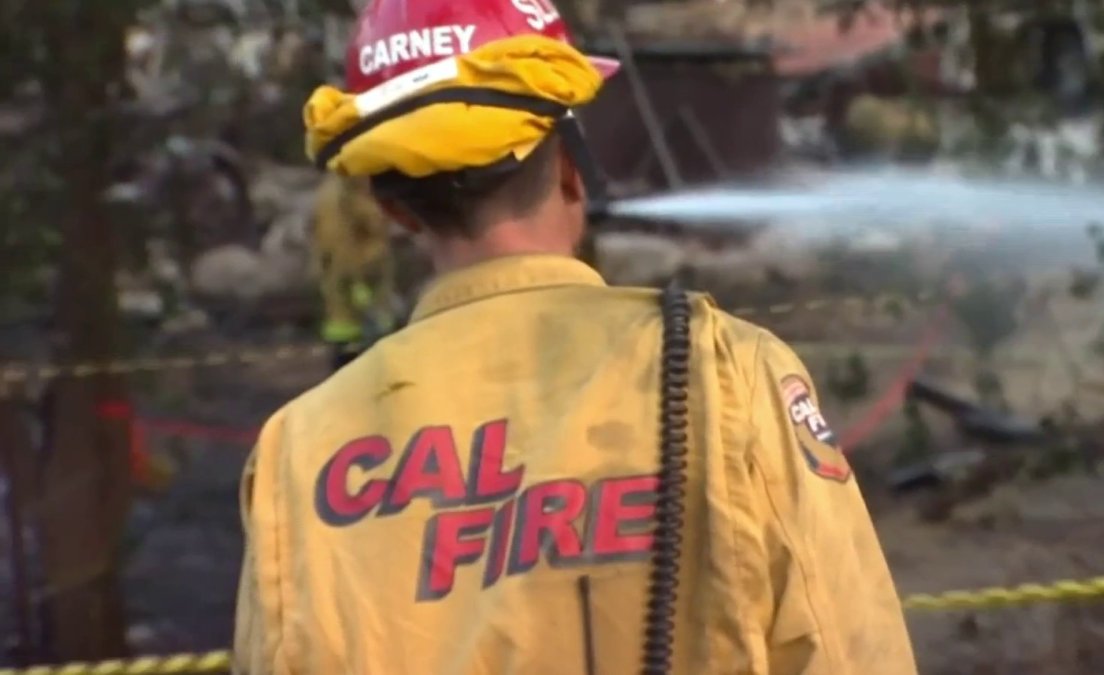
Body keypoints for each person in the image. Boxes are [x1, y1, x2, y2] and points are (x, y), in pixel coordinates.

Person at [233, 0, 917, 672]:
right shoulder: (725, 373)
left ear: (394, 206)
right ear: (568, 165)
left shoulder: (297, 453)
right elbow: (852, 651)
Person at [311, 173, 398, 370]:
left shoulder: (331, 190)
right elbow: (345, 244)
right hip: (362, 290)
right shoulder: (347, 195)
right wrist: (360, 287)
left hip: (345, 297)